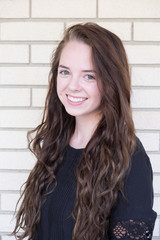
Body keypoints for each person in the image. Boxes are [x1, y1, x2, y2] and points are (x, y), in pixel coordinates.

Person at [12, 22, 157, 240]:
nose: (72, 85)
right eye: (65, 72)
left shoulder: (130, 157)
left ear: (111, 82)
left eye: (89, 76)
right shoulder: (56, 144)